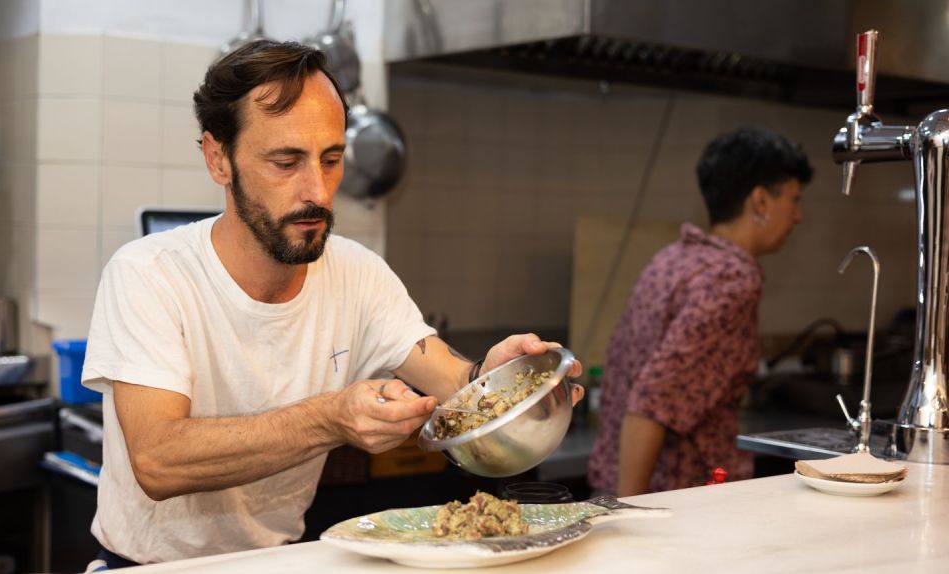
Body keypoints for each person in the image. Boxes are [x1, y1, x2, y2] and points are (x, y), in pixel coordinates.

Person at [80, 40, 582, 568]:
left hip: (281, 560)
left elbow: (456, 384)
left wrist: (496, 382)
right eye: (286, 161)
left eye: (332, 159)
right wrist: (331, 418)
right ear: (217, 158)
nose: (317, 191)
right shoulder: (148, 274)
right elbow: (159, 461)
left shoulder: (356, 273)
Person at [587, 127, 812, 496]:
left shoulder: (673, 257)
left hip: (617, 488)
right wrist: (631, 515)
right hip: (681, 505)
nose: (798, 215)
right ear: (760, 202)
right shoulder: (732, 282)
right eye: (793, 199)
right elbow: (650, 405)